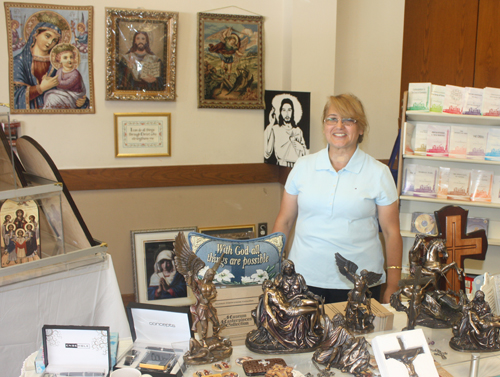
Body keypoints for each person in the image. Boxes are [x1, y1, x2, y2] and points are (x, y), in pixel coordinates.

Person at [273, 93, 402, 304]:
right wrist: (274, 269)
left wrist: (394, 284)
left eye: (348, 120)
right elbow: (284, 221)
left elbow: (391, 232)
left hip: (359, 284)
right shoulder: (303, 167)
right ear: (324, 126)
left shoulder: (379, 173)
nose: (339, 126)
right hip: (303, 280)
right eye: (332, 119)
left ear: (361, 129)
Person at [264, 96, 307, 167]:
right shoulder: (275, 129)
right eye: (284, 110)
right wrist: (271, 124)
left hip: (296, 168)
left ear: (293, 111)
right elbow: (267, 152)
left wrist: (300, 147)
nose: (287, 113)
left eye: (289, 110)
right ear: (280, 112)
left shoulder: (298, 131)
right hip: (281, 168)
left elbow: (305, 154)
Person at [43, 44, 86, 109]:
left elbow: (66, 84)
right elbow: (59, 81)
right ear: (59, 60)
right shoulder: (60, 70)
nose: (69, 60)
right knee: (50, 96)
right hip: (63, 93)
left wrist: (51, 81)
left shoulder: (75, 73)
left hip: (74, 96)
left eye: (71, 57)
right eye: (65, 58)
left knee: (52, 98)